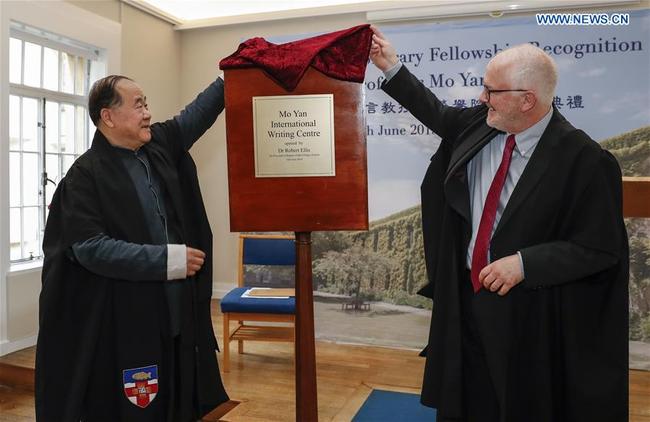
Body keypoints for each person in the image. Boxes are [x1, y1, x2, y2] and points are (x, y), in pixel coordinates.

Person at [369, 26, 628, 422]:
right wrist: (390, 65)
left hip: (529, 318)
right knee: (465, 401)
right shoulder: (481, 124)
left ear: (527, 100)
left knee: (517, 405)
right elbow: (437, 113)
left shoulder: (585, 161)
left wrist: (525, 263)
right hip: (464, 302)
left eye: (492, 91)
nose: (481, 97)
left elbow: (599, 248)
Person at [35, 74, 229, 421]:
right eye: (138, 105)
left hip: (174, 314)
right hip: (124, 319)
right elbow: (89, 247)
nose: (147, 113)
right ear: (107, 117)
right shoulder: (84, 176)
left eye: (146, 104)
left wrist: (229, 77)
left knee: (176, 399)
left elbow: (195, 115)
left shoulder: (157, 147)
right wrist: (167, 260)